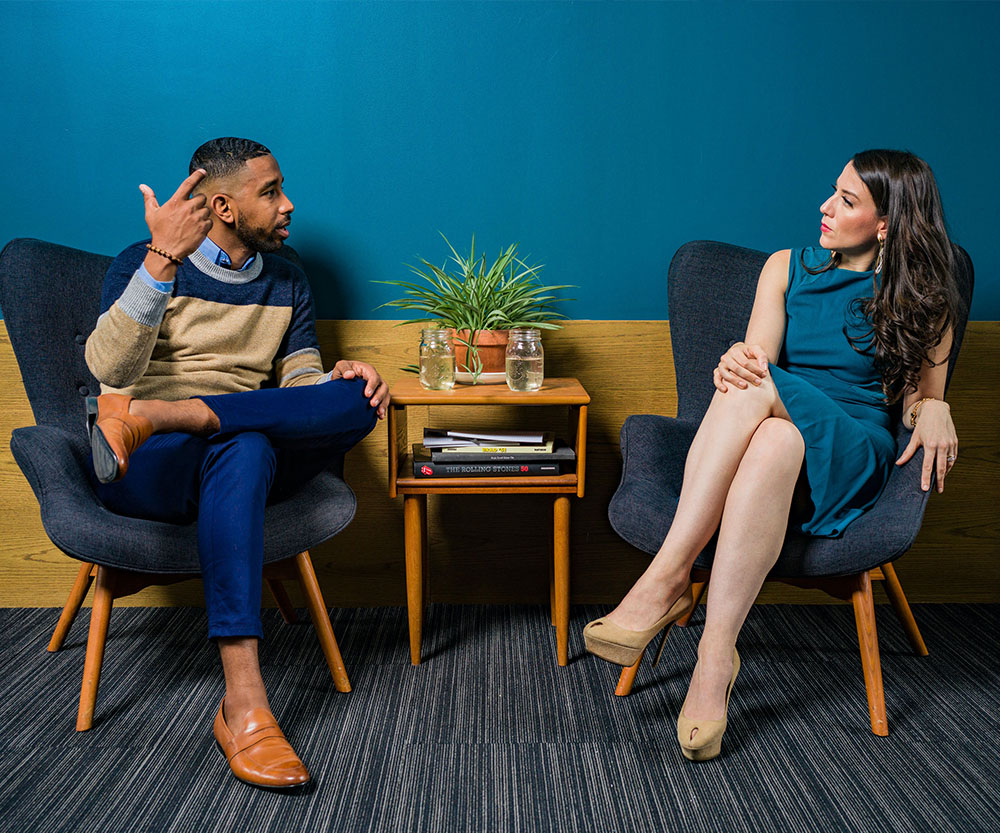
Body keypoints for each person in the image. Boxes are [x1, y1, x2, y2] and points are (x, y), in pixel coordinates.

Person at [583, 149, 961, 761]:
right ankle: (714, 660)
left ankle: (668, 573)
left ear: (886, 223)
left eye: (845, 200)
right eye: (831, 192)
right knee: (770, 422)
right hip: (782, 439)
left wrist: (934, 407)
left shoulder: (926, 298)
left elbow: (920, 403)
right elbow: (754, 361)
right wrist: (734, 360)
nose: (824, 206)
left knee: (760, 388)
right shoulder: (785, 268)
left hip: (854, 446)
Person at [84, 137, 390, 789]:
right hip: (143, 461)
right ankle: (245, 702)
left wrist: (335, 378)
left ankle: (175, 412)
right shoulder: (143, 263)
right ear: (222, 204)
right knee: (246, 442)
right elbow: (108, 372)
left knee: (358, 400)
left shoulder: (288, 276)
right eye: (272, 192)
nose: (289, 204)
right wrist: (162, 261)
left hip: (220, 445)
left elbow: (298, 372)